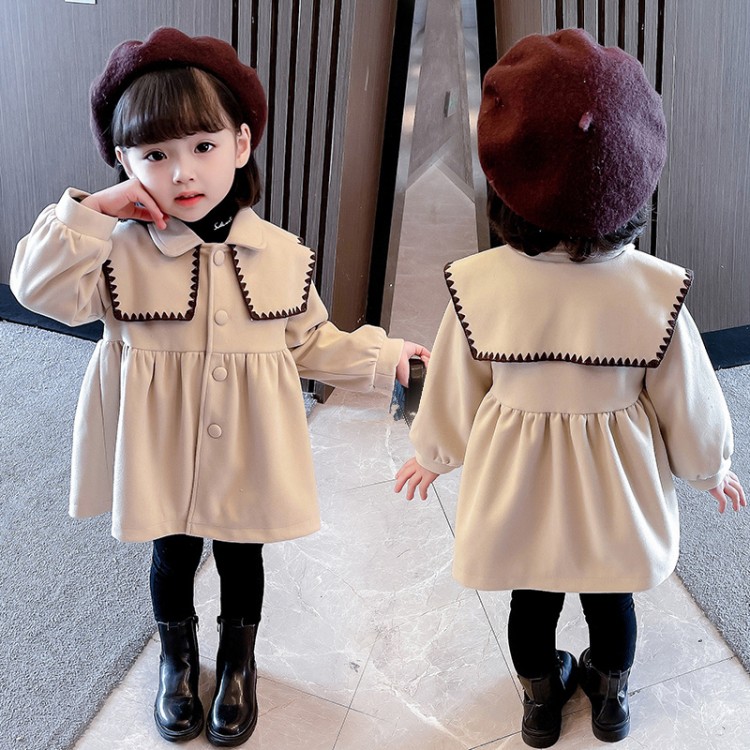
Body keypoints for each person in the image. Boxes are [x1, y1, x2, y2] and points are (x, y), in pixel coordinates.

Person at [11, 27, 429, 747]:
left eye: (203, 146)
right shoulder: (107, 251)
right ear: (124, 162)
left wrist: (383, 354)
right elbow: (36, 289)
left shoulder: (283, 255)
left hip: (247, 442)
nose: (183, 172)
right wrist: (96, 209)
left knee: (242, 554)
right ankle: (177, 657)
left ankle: (239, 660)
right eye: (154, 155)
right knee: (172, 552)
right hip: (160, 442)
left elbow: (310, 342)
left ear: (240, 144)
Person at [395, 28, 745, 748]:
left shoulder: (478, 285)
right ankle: (611, 701)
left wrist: (432, 454)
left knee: (532, 595)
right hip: (614, 481)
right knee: (611, 594)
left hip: (520, 480)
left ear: (506, 181)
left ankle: (539, 704)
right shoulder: (657, 292)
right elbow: (687, 396)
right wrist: (711, 466)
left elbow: (456, 383)